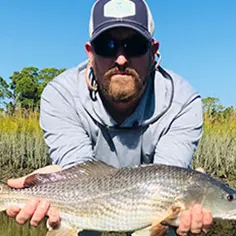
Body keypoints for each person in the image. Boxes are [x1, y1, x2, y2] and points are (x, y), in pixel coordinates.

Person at [6, 0, 213, 235]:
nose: (121, 59)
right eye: (107, 45)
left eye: (134, 46)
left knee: (171, 222)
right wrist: (53, 181)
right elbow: (78, 167)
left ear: (154, 52)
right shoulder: (60, 94)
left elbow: (169, 180)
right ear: (90, 53)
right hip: (83, 204)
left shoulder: (184, 101)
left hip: (150, 206)